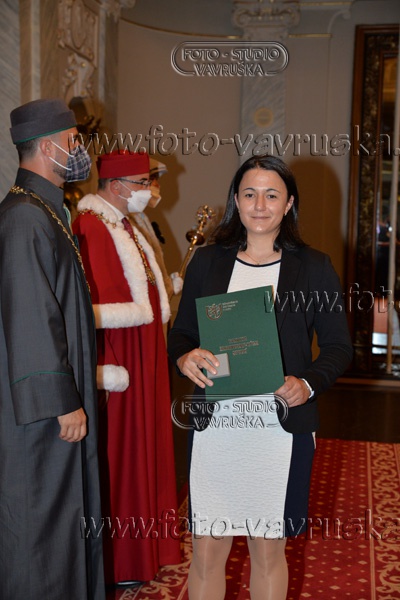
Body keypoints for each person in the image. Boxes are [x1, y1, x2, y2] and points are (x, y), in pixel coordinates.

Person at [167, 155, 353, 600]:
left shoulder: (314, 267)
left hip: (278, 428)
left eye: (272, 195)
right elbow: (182, 333)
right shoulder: (208, 262)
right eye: (250, 194)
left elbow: (338, 348)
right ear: (236, 200)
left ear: (289, 204)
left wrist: (306, 383)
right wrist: (185, 357)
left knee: (267, 550)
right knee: (207, 550)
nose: (260, 205)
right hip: (218, 425)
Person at [0, 98, 105, 599]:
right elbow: (30, 313)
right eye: (72, 141)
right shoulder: (25, 217)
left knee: (62, 519)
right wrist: (62, 400)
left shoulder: (45, 210)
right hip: (40, 416)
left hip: (53, 406)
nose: (79, 150)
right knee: (39, 526)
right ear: (47, 147)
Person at [72, 150, 181, 585]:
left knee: (148, 444)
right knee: (124, 450)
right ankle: (121, 560)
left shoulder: (126, 223)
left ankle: (148, 549)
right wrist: (107, 365)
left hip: (144, 350)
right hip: (121, 355)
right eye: (141, 183)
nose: (149, 191)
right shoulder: (91, 225)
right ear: (116, 186)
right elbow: (94, 306)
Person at [132, 158, 183, 299]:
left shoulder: (141, 216)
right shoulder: (129, 219)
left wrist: (168, 286)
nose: (157, 185)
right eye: (153, 178)